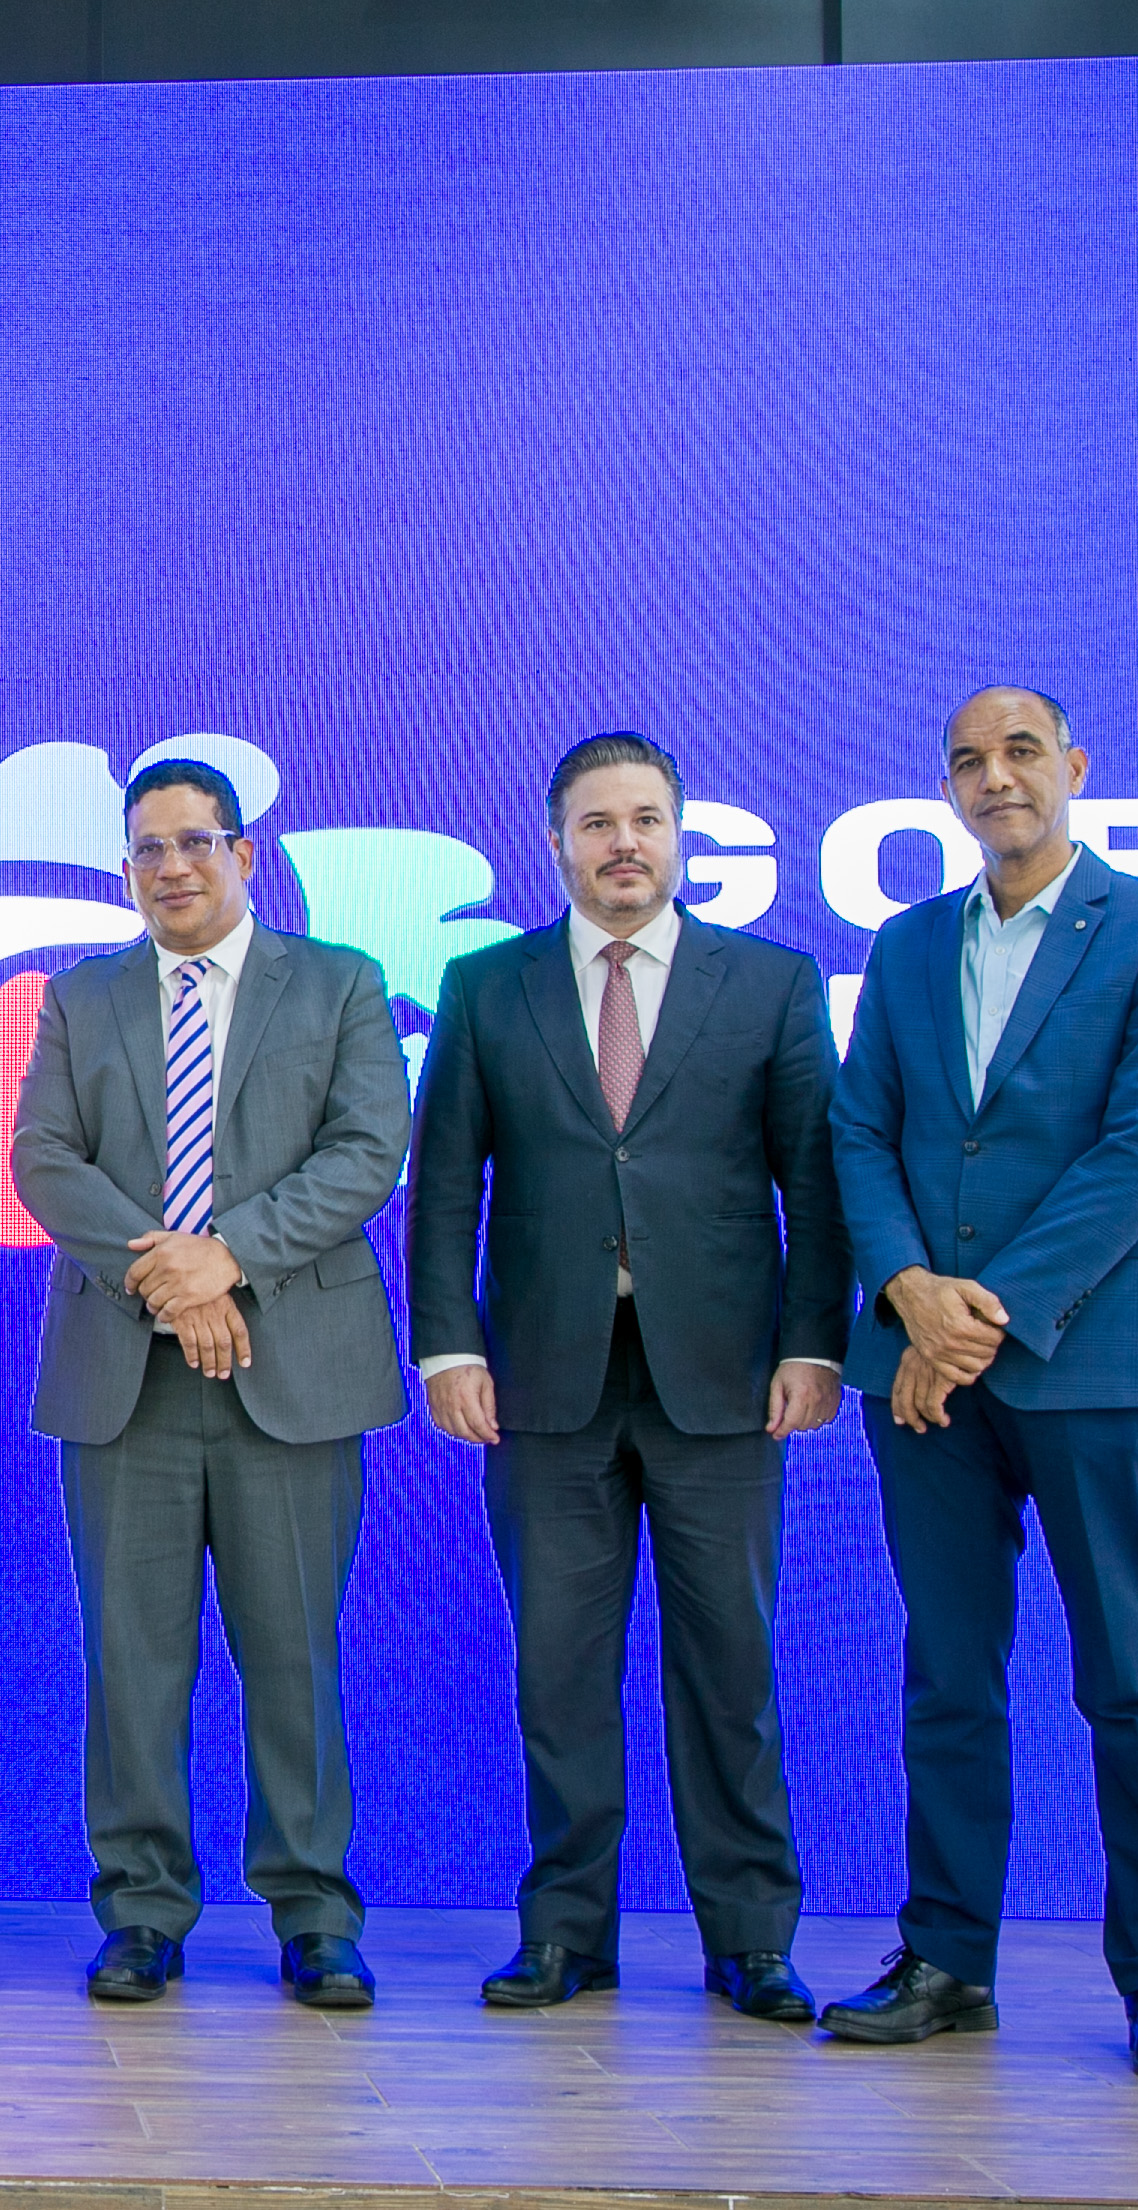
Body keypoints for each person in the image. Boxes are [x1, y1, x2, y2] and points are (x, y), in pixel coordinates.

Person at [820, 686, 1138, 2086]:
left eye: (1019, 752)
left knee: (1131, 1676)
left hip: (1094, 1358)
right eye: (967, 760)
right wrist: (907, 1290)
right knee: (947, 1673)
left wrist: (977, 1315)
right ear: (946, 788)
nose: (994, 777)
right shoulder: (909, 942)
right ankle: (946, 1961)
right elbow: (861, 1131)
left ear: (1073, 767)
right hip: (922, 1367)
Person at [409, 732, 848, 2020]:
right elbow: (445, 1185)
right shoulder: (485, 986)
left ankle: (750, 1939)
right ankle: (565, 1933)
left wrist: (812, 1342)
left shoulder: (768, 983)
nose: (623, 844)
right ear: (555, 842)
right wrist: (449, 1345)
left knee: (730, 1673)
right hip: (542, 1387)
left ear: (678, 834)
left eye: (645, 819)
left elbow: (815, 1184)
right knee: (558, 1673)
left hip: (723, 1382)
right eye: (596, 823)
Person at [13, 755, 409, 2009]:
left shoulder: (339, 984)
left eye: (195, 841)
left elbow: (366, 1152)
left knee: (293, 1657)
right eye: (147, 848)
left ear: (243, 854)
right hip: (122, 1379)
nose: (171, 866)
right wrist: (172, 1283)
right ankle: (141, 1910)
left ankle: (314, 1912)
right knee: (131, 1662)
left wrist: (225, 1257)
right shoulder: (81, 997)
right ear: (125, 868)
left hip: (291, 1374)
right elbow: (43, 1158)